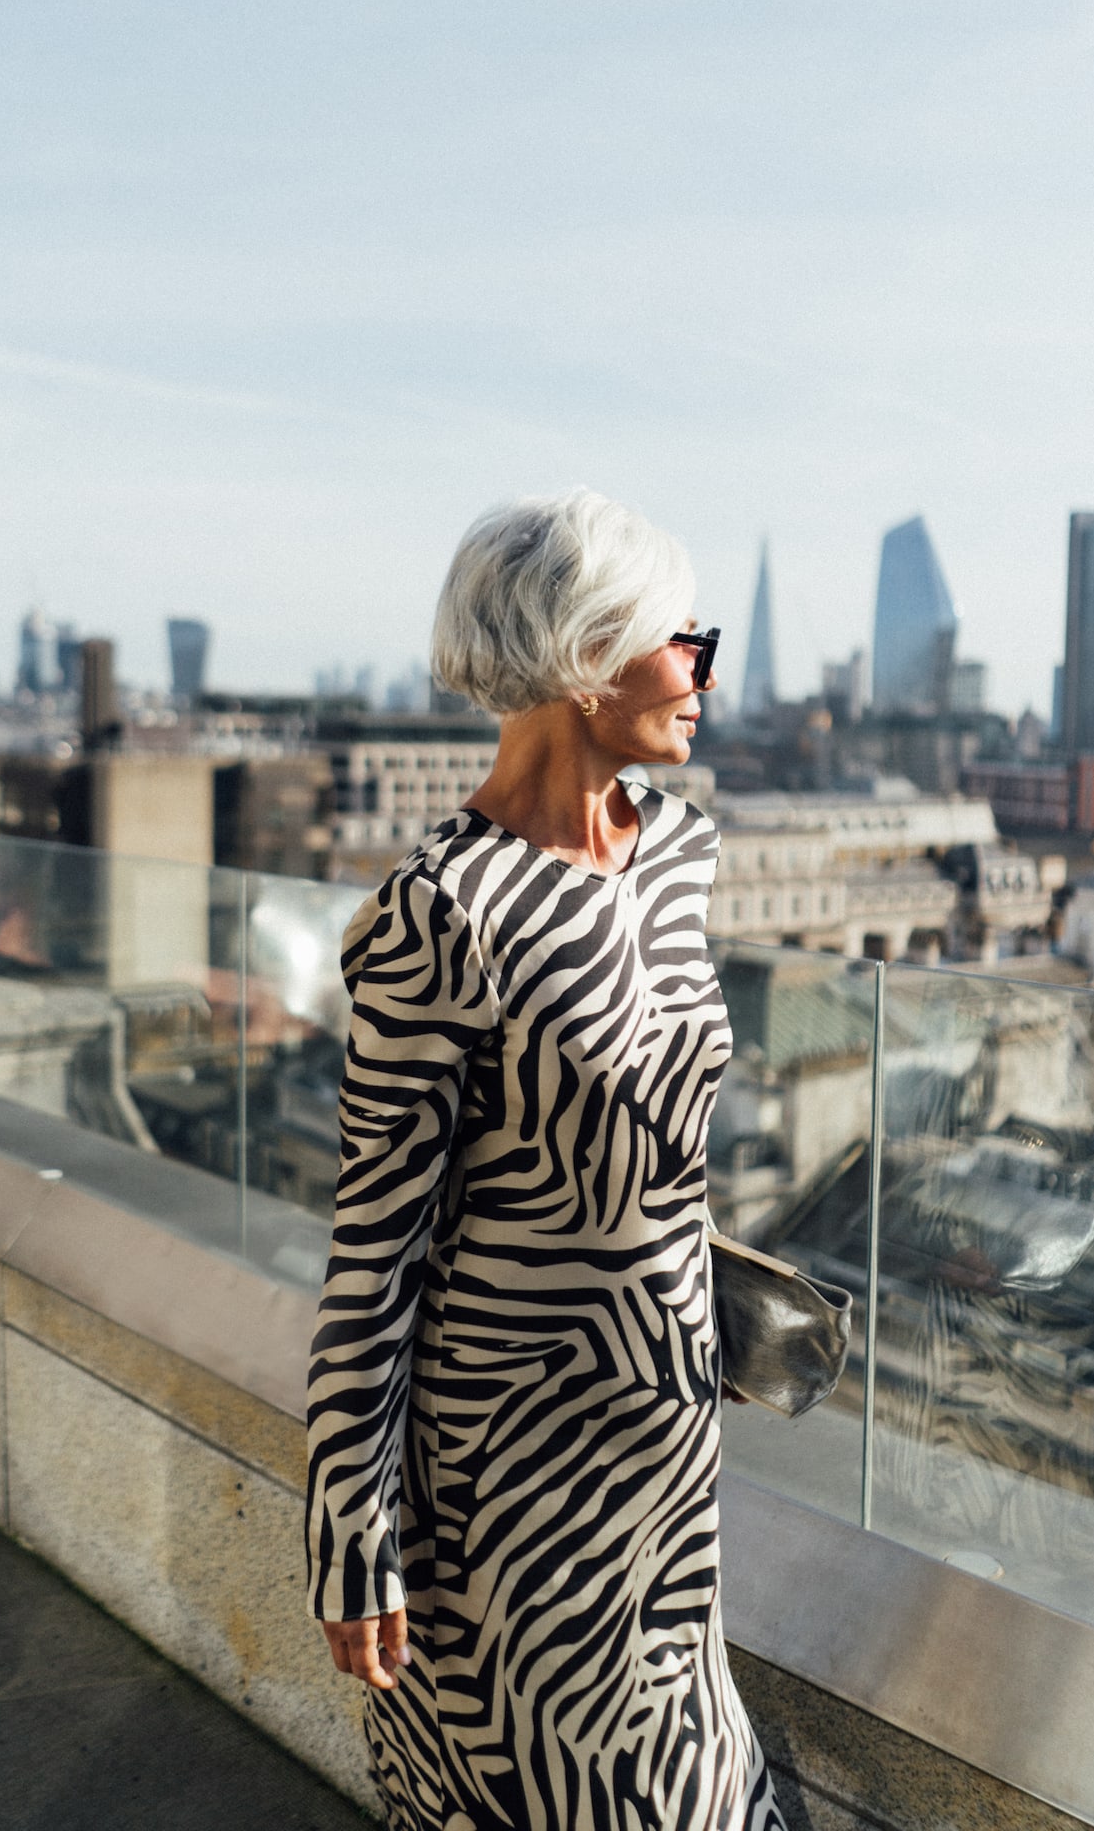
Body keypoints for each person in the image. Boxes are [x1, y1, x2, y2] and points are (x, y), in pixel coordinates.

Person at [305, 491, 786, 1831]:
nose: (702, 670)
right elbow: (374, 1250)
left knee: (689, 1775)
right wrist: (349, 1531)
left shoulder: (682, 851)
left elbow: (654, 1143)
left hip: (669, 1433)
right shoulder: (437, 913)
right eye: (679, 638)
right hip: (511, 1469)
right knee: (566, 1793)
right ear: (586, 655)